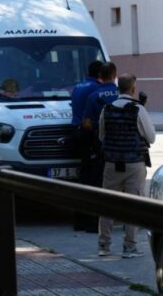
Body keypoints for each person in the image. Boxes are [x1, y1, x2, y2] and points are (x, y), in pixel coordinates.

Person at [97, 73, 155, 258]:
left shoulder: (106, 109)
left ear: (117, 88)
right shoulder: (138, 109)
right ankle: (129, 247)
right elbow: (151, 137)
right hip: (134, 163)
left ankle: (104, 246)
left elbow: (101, 136)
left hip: (112, 163)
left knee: (107, 205)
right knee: (134, 205)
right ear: (133, 89)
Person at [78, 62, 119, 233]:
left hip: (102, 147)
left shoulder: (94, 95)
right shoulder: (123, 95)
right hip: (126, 150)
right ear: (114, 75)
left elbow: (86, 123)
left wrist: (97, 128)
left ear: (100, 76)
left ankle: (100, 224)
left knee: (101, 183)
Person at [70, 61, 103, 231]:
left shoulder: (78, 86)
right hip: (89, 135)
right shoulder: (96, 89)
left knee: (83, 176)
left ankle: (79, 220)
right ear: (100, 74)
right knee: (94, 179)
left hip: (77, 133)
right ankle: (91, 222)